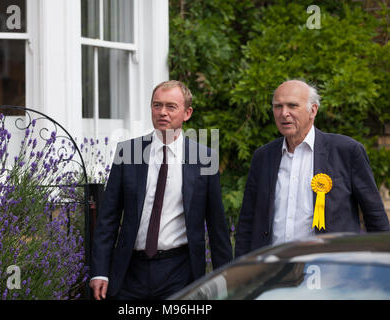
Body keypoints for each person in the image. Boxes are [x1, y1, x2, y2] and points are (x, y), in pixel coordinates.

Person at [90, 80, 232, 300]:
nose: (162, 112)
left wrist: (226, 278)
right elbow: (107, 219)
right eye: (157, 105)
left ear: (187, 113)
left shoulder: (203, 158)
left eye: (171, 106)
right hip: (130, 271)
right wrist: (99, 271)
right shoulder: (128, 152)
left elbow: (217, 225)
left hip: (180, 272)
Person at [235, 79, 389, 257]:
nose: (284, 113)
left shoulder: (346, 151)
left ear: (313, 110)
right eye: (278, 106)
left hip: (330, 269)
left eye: (292, 106)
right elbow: (247, 222)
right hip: (273, 271)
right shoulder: (263, 156)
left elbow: (375, 217)